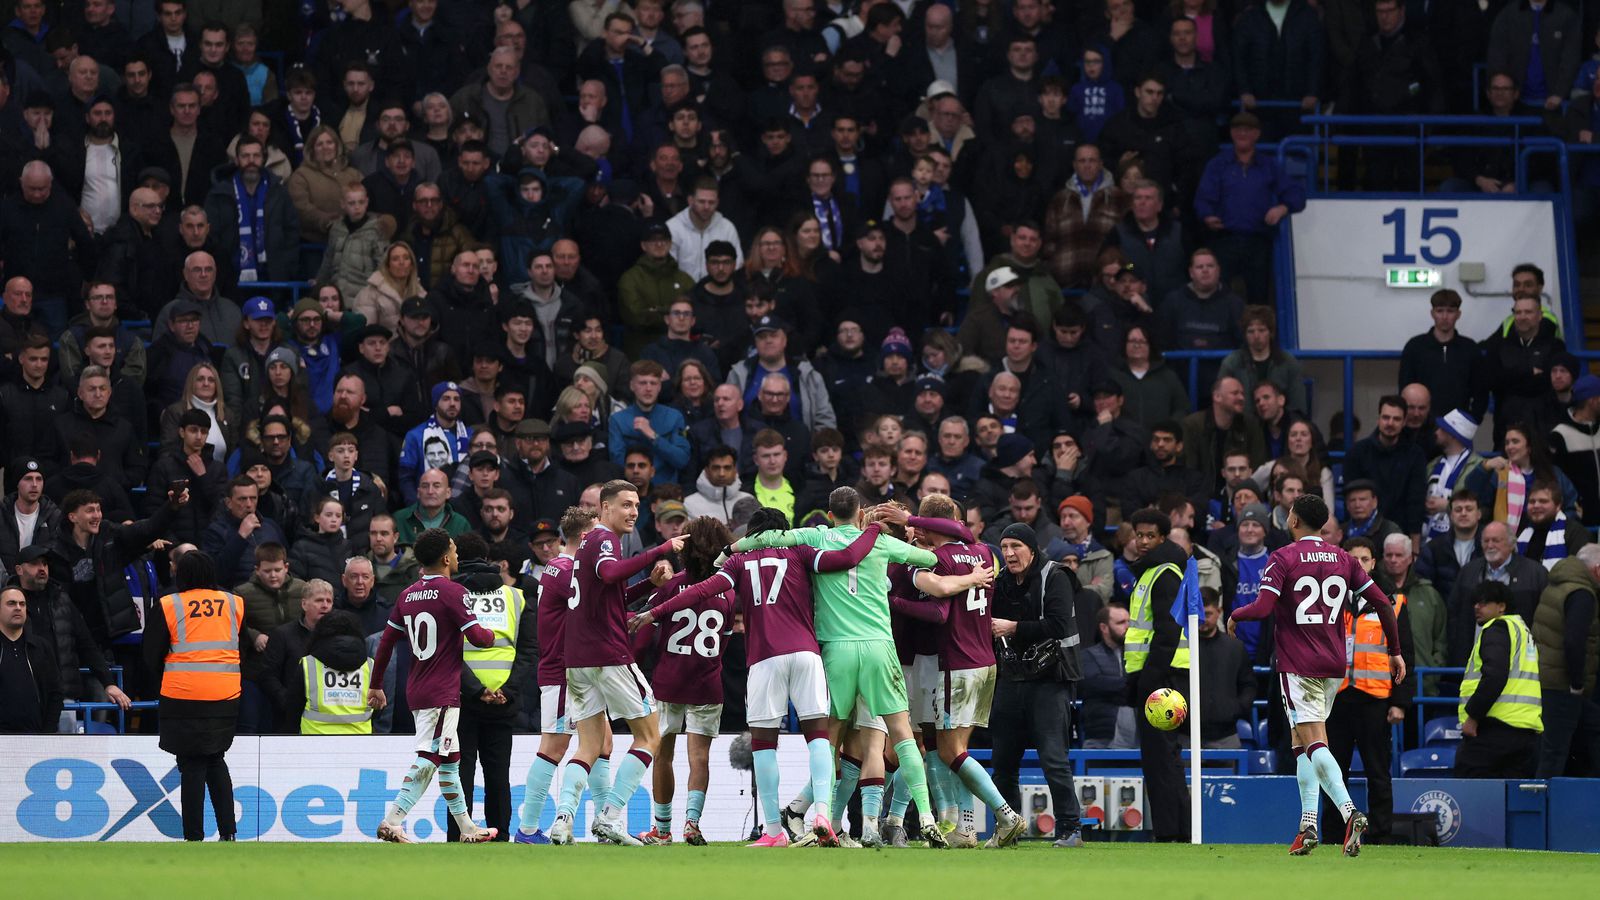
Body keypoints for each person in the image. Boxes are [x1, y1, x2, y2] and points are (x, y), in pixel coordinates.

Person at [736, 487, 993, 848]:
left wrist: (730, 550)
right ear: (860, 513)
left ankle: (822, 817)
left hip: (836, 649)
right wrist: (970, 576)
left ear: (830, 514)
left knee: (829, 739)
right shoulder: (884, 545)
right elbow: (937, 560)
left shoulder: (816, 537)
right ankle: (926, 817)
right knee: (902, 735)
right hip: (879, 648)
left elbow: (770, 538)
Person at [1229, 494, 1403, 856]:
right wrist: (1395, 651)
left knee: (1315, 744)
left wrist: (1236, 615)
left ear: (1293, 520)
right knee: (1302, 746)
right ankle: (1307, 825)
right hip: (1334, 666)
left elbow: (1262, 607)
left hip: (1298, 664)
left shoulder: (1283, 557)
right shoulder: (1344, 559)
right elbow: (1384, 604)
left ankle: (1349, 812)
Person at [544, 480, 684, 846]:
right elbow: (609, 574)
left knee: (588, 747)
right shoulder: (605, 539)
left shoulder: (587, 543)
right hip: (607, 655)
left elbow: (609, 596)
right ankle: (610, 815)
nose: (633, 512)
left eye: (636, 505)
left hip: (578, 660)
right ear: (605, 508)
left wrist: (648, 585)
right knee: (650, 735)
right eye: (625, 504)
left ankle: (563, 820)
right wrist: (661, 549)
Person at [367, 528, 500, 843]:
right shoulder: (452, 592)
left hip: (418, 687)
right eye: (454, 549)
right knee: (430, 755)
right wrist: (492, 634)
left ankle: (467, 828)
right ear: (445, 558)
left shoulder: (407, 594)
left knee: (450, 761)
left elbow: (386, 643)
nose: (457, 554)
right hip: (442, 692)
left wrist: (376, 685)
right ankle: (392, 820)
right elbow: (479, 638)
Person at [988, 516, 1085, 848]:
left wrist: (1013, 628)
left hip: (1050, 680)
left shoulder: (1056, 576)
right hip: (1011, 678)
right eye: (1004, 547)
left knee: (1054, 760)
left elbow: (1059, 625)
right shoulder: (1001, 581)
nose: (1009, 553)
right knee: (1002, 763)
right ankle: (1008, 828)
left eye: (1016, 546)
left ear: (1032, 549)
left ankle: (1071, 829)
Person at [513, 507, 606, 844]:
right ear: (585, 536)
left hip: (580, 672)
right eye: (597, 533)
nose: (603, 541)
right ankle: (527, 829)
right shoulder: (567, 570)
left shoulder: (559, 567)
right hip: (564, 672)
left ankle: (605, 823)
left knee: (603, 744)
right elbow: (604, 603)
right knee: (554, 747)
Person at [142, 549, 245, 841]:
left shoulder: (169, 604)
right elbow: (243, 648)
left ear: (180, 574)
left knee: (191, 763)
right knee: (215, 758)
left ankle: (194, 836)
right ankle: (228, 832)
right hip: (225, 694)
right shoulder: (234, 603)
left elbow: (150, 655)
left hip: (183, 694)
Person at [1323, 537, 1416, 843]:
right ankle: (1334, 834)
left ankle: (1380, 835)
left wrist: (1400, 702)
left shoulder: (1393, 602)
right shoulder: (1328, 599)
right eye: (1353, 559)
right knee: (1333, 771)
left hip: (1375, 699)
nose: (1358, 564)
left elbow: (1406, 655)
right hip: (1336, 698)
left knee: (1378, 771)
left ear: (1374, 563)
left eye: (1364, 559)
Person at [450, 532, 537, 843]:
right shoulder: (516, 597)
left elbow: (447, 652)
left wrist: (475, 689)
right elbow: (529, 650)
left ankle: (457, 837)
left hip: (462, 698)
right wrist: (508, 690)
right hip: (504, 700)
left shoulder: (452, 595)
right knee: (498, 776)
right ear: (489, 560)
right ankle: (500, 838)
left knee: (460, 775)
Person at [1121, 509, 1193, 842]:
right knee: (1162, 758)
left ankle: (1171, 832)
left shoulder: (1163, 574)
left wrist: (1149, 679)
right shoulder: (1152, 572)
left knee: (1161, 758)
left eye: (1151, 535)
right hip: (1158, 676)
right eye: (1139, 535)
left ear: (1163, 538)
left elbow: (1167, 632)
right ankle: (1175, 830)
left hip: (1162, 679)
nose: (1143, 541)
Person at [1455, 581, 1544, 778]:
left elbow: (1494, 676)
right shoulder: (1522, 631)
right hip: (1526, 730)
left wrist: (1473, 716)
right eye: (1475, 602)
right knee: (1513, 792)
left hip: (1496, 726)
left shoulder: (1497, 629)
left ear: (1501, 606)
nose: (1477, 607)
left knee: (1467, 783)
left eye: (1484, 602)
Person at [1532, 544, 1600, 778]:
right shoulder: (1582, 593)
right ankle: (1541, 799)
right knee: (1553, 753)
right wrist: (1577, 683)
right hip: (1563, 686)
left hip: (1545, 679)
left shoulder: (1557, 583)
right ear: (1597, 569)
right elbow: (1574, 641)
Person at [287, 609, 373, 735]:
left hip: (314, 739)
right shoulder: (370, 665)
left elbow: (293, 706)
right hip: (360, 739)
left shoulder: (308, 663)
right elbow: (380, 706)